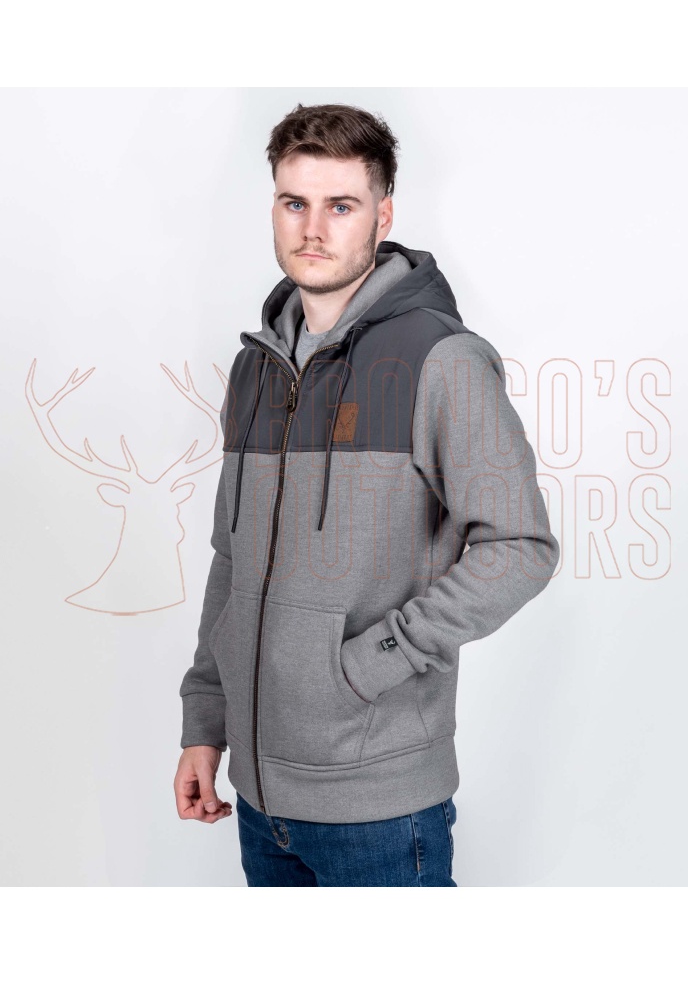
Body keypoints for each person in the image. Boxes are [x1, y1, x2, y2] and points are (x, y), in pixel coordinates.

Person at [173, 103, 560, 886]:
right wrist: (205, 721)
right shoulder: (256, 368)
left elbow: (520, 546)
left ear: (382, 216)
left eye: (341, 206)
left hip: (381, 810)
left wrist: (369, 664)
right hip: (258, 802)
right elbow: (230, 559)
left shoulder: (440, 360)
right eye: (295, 202)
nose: (313, 229)